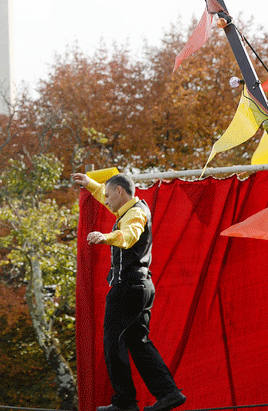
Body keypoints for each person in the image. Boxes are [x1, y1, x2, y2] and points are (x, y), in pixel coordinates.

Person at [71, 172, 186, 411]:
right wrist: (91, 184)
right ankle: (169, 393)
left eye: (109, 195)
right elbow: (107, 198)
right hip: (141, 286)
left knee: (113, 343)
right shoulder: (133, 208)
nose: (106, 200)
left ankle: (124, 402)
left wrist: (105, 237)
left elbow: (130, 235)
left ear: (120, 192)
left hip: (127, 288)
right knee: (138, 341)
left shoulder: (135, 214)